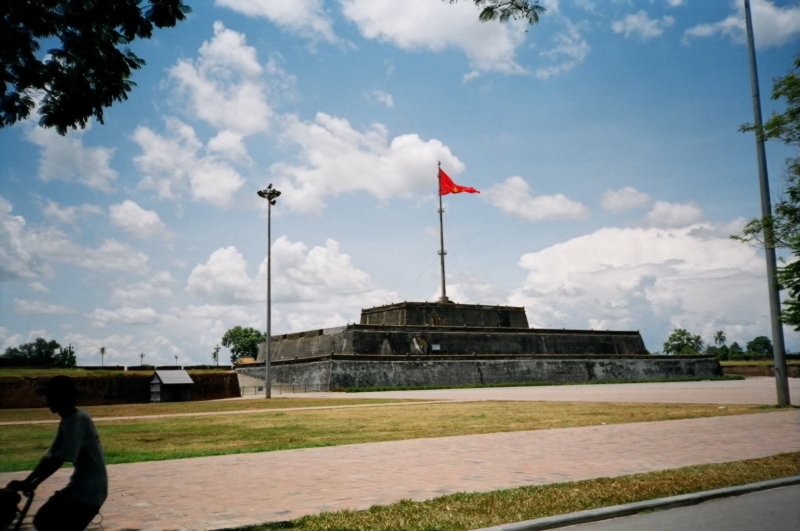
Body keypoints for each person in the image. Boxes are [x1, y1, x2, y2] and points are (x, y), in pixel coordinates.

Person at [6, 375, 107, 531]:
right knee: (44, 520)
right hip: (81, 488)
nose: (48, 401)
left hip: (89, 491)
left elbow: (59, 459)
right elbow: (49, 457)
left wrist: (34, 483)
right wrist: (28, 481)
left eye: (52, 396)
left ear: (64, 397)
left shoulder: (79, 419)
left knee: (46, 521)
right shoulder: (67, 420)